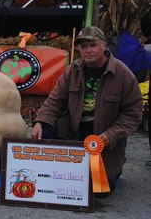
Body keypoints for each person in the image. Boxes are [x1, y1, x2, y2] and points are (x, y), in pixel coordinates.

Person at [31, 26, 143, 195]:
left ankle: (115, 167)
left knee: (100, 192)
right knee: (46, 127)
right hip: (74, 132)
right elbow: (55, 100)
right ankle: (54, 171)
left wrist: (109, 136)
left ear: (104, 45)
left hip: (103, 140)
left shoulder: (124, 75)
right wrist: (40, 120)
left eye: (93, 45)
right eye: (83, 47)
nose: (88, 50)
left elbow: (132, 115)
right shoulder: (72, 70)